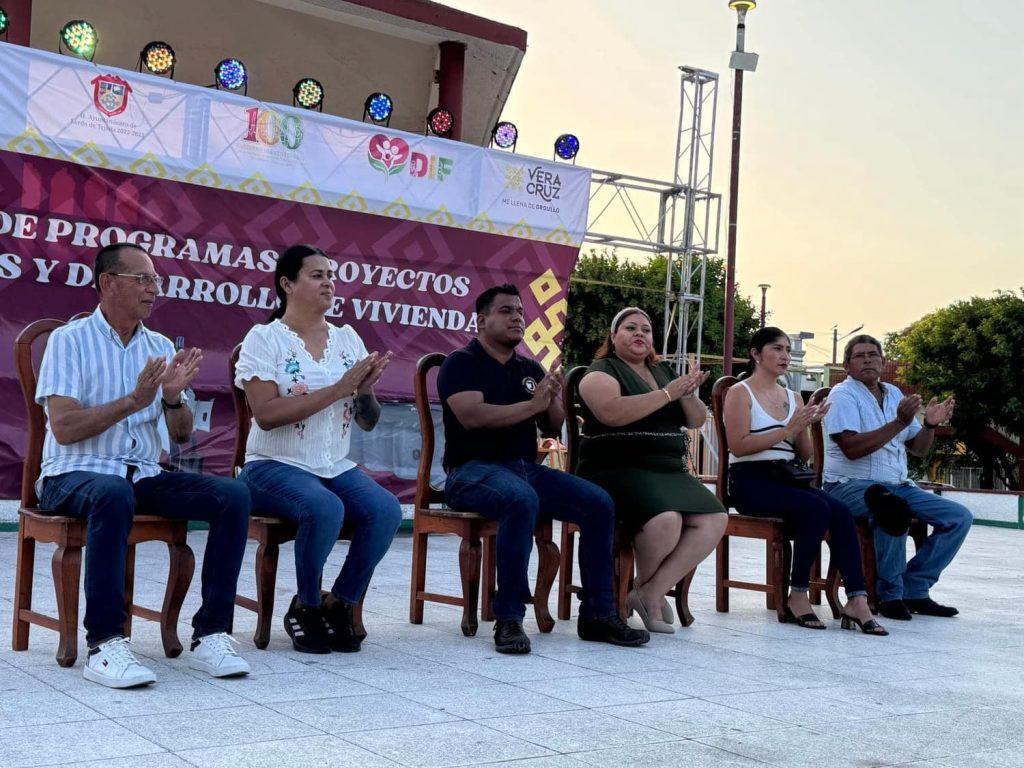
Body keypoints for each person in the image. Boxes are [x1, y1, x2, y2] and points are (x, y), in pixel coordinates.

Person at [35, 242, 252, 689]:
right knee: (112, 492)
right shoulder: (69, 340)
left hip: (142, 473)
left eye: (156, 280)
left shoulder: (159, 346)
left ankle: (211, 633)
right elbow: (65, 427)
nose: (154, 288)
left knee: (232, 495)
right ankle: (105, 644)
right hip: (71, 472)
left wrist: (171, 398)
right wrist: (133, 401)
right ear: (108, 283)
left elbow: (181, 434)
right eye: (143, 279)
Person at [438, 284, 650, 654]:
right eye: (506, 311)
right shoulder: (462, 362)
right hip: (471, 470)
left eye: (520, 311)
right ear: (482, 321)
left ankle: (598, 613)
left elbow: (551, 426)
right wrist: (533, 404)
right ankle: (509, 617)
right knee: (521, 500)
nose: (517, 318)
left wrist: (552, 398)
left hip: (524, 469)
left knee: (598, 502)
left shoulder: (529, 368)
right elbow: (472, 416)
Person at [235, 244, 401, 654]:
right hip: (271, 465)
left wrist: (364, 391)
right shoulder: (264, 339)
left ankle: (339, 604)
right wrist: (339, 388)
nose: (329, 283)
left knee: (386, 510)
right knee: (325, 507)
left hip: (332, 465)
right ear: (287, 284)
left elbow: (367, 420)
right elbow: (266, 415)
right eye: (317, 275)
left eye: (331, 275)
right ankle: (306, 606)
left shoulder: (347, 339)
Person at [722, 328, 886, 634]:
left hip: (788, 477)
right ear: (756, 354)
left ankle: (857, 599)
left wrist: (807, 426)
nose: (785, 355)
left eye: (787, 349)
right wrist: (787, 429)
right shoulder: (739, 392)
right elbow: (739, 446)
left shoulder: (793, 396)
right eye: (777, 349)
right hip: (751, 480)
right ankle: (798, 594)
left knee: (840, 512)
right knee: (816, 509)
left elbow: (804, 454)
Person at [576, 307, 727, 633]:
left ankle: (649, 591)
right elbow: (611, 413)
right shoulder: (600, 372)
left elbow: (696, 420)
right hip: (617, 467)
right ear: (613, 336)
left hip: (668, 470)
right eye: (630, 328)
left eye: (646, 329)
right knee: (666, 520)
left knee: (715, 518)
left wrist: (686, 393)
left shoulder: (664, 371)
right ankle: (650, 598)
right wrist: (668, 393)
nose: (640, 334)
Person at [822, 334, 972, 621]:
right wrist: (899, 422)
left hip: (896, 485)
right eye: (860, 355)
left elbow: (918, 449)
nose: (868, 360)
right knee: (891, 508)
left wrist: (929, 425)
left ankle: (914, 587)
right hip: (847, 487)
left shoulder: (893, 393)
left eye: (873, 355)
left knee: (959, 517)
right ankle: (889, 595)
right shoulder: (842, 395)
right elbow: (852, 449)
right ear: (847, 365)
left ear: (883, 361)